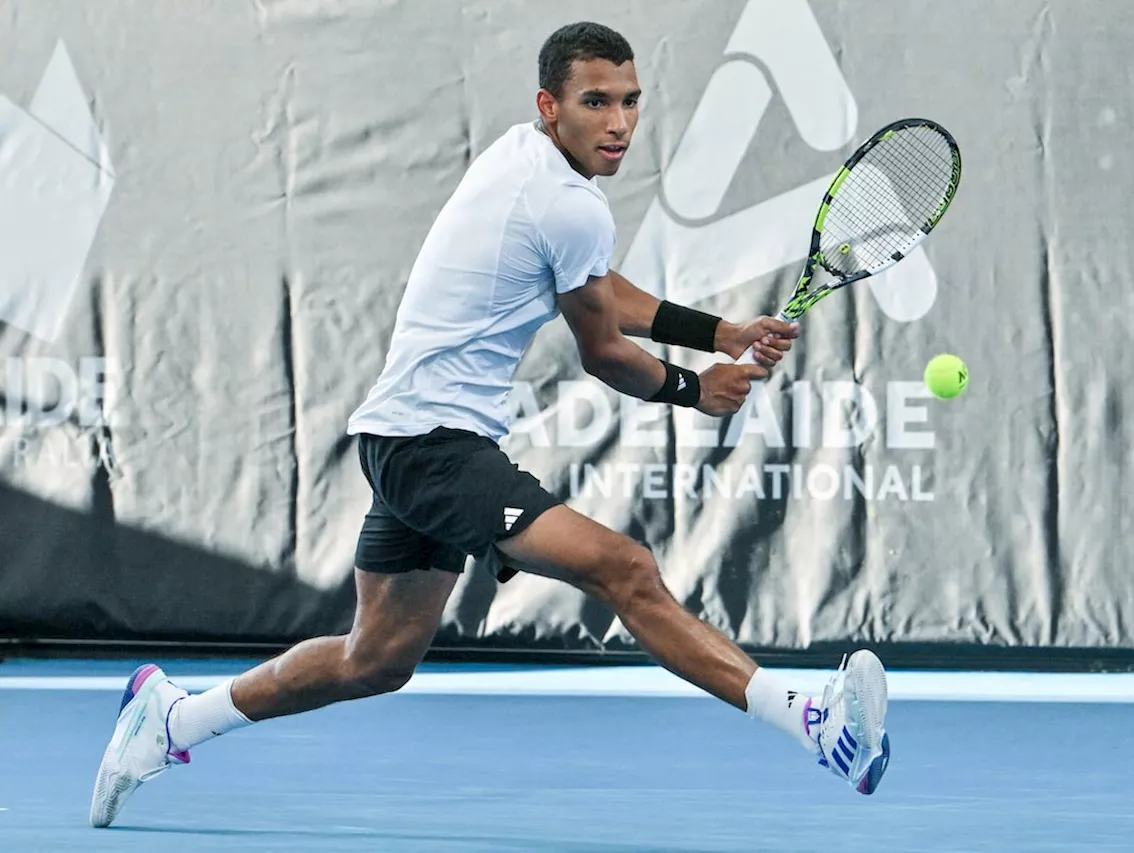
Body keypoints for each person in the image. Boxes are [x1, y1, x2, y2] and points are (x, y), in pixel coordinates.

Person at [90, 21, 890, 829]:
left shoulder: (524, 158)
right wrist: (696, 387)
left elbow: (592, 282)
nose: (618, 123)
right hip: (434, 449)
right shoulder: (568, 202)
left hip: (405, 440)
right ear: (551, 106)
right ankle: (813, 722)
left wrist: (716, 332)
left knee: (376, 658)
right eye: (595, 103)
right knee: (626, 569)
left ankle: (171, 719)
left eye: (630, 102)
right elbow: (604, 352)